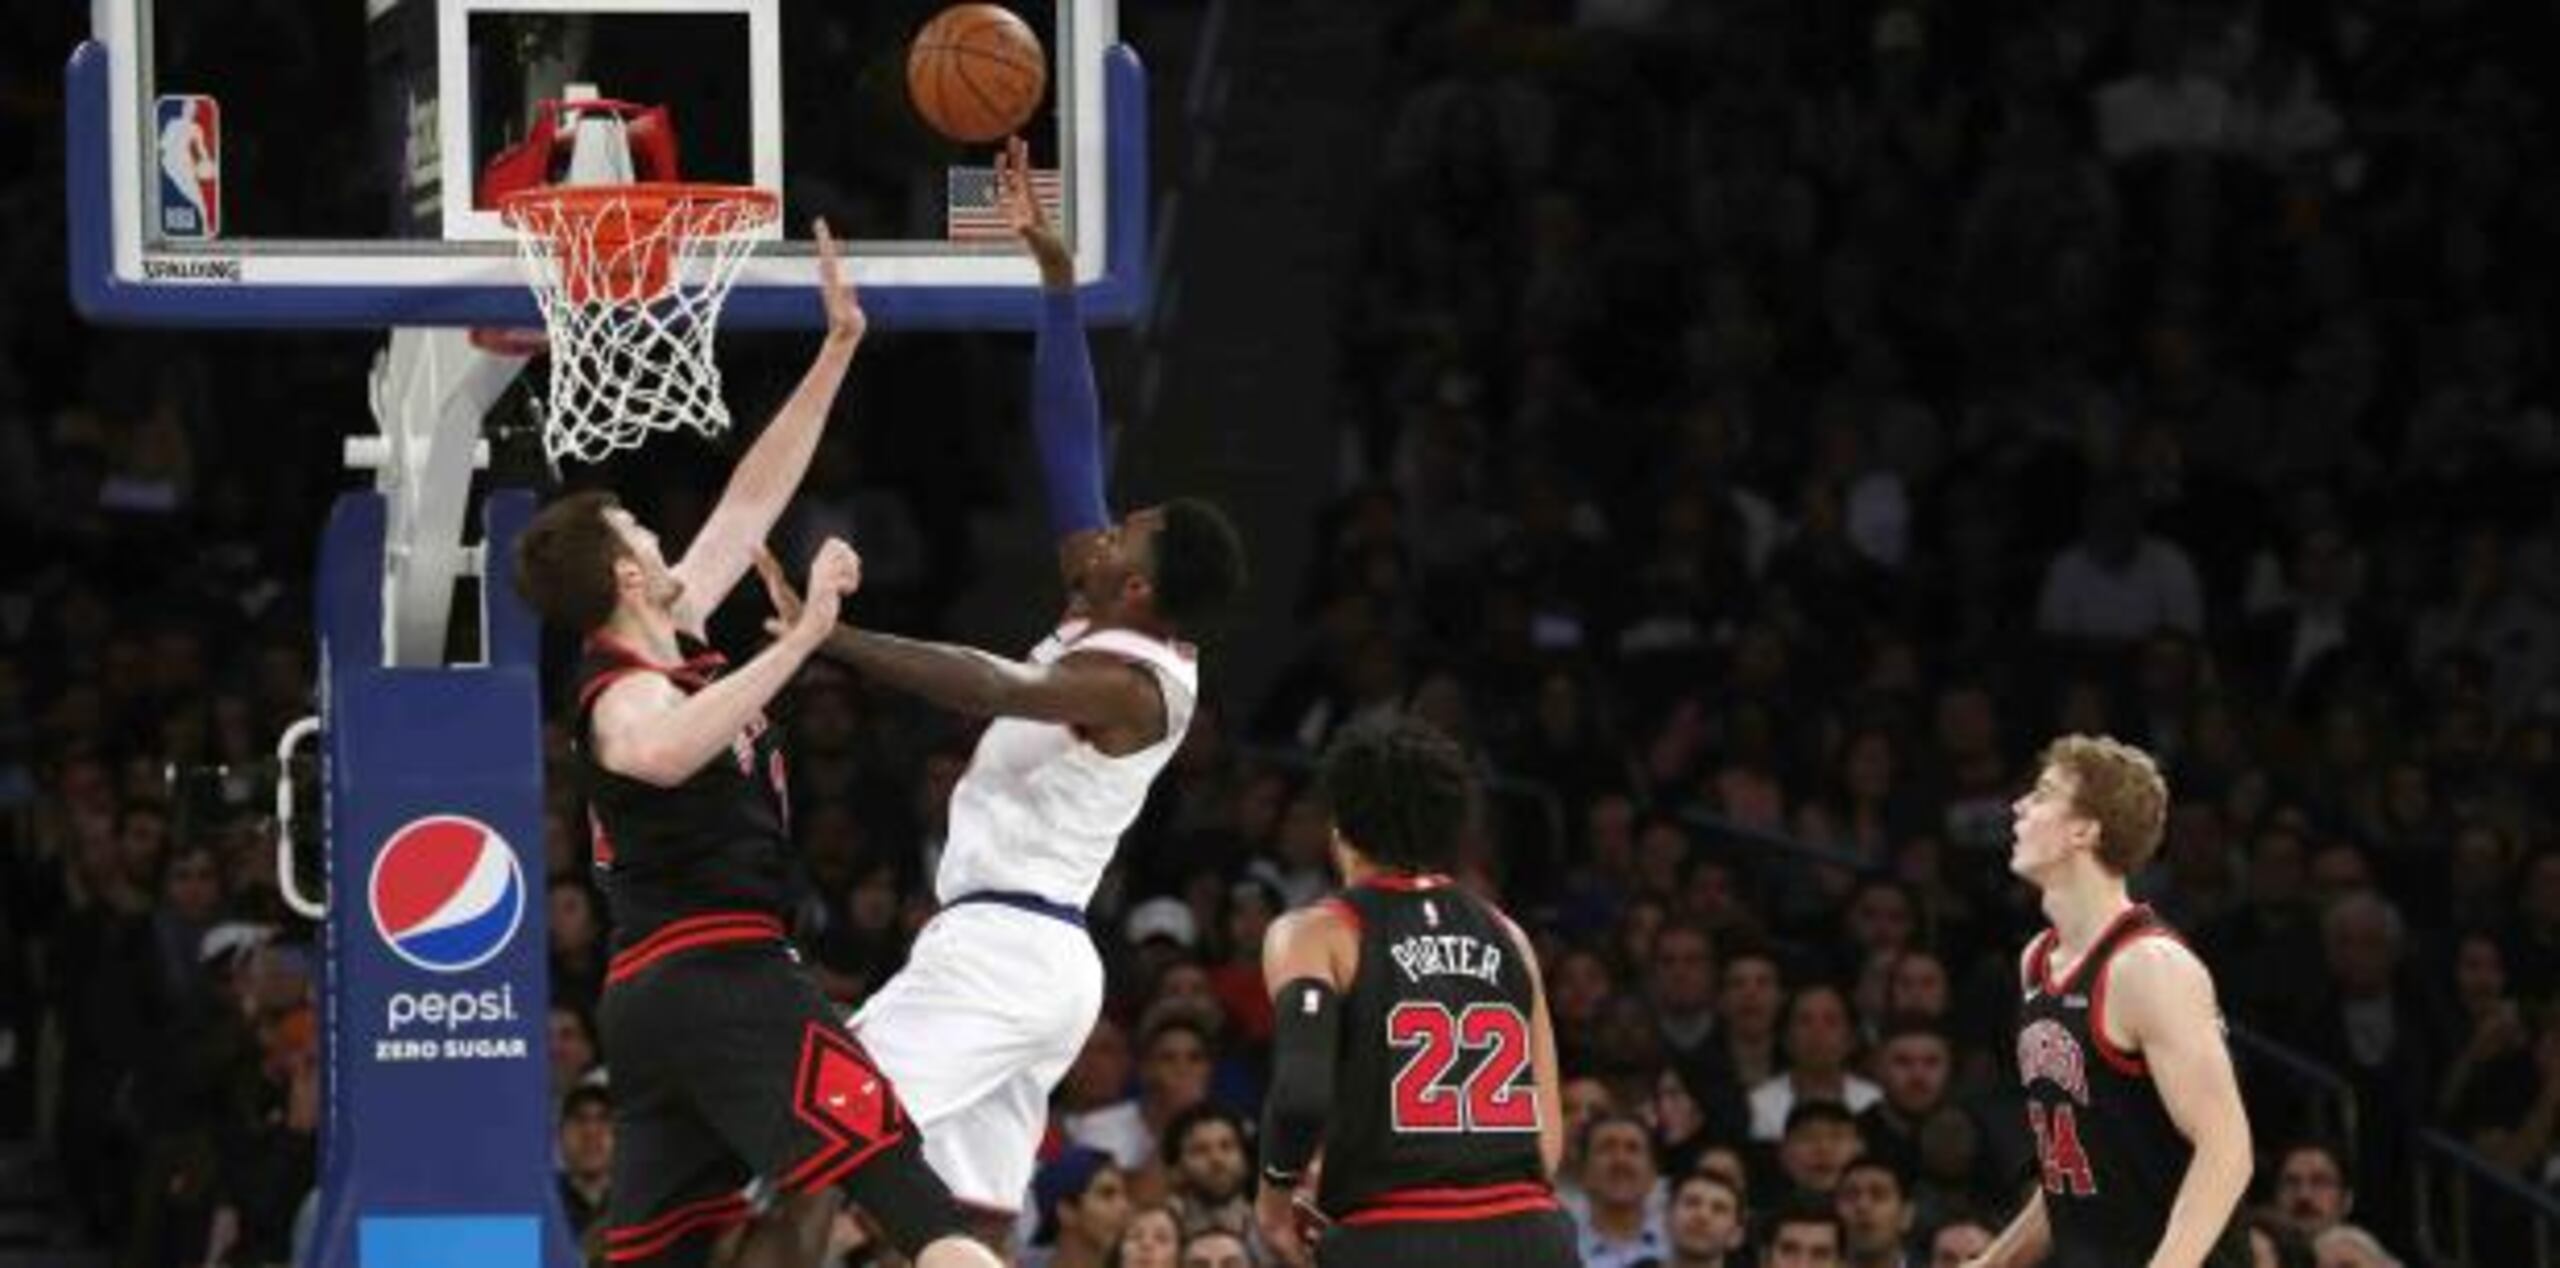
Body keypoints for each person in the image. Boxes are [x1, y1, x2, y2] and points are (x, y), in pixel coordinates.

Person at [754, 138, 1248, 1245]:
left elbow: (989, 680)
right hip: (1017, 953)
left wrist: (833, 637)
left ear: (1142, 580)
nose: (1113, 519)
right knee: (958, 1218)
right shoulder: (1107, 595)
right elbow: (1069, 444)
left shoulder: (1132, 684)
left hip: (1011, 952)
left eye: (1134, 529)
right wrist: (1056, 284)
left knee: (820, 1135)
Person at [511, 223, 995, 1268]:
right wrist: (809, 638)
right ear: (626, 577)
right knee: (903, 1187)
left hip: (658, 1003)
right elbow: (655, 753)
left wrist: (837, 349)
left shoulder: (677, 635)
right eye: (641, 530)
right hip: (720, 973)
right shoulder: (618, 694)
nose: (659, 536)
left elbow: (751, 498)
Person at [1250, 717, 1577, 1268]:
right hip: (1531, 1233)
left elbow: (1301, 1093)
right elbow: (1546, 1145)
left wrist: (1274, 1203)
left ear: (1340, 829)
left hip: (1394, 1234)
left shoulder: (1315, 933)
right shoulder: (1510, 936)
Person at [1966, 736, 2251, 1268]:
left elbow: (2227, 1150)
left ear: (2085, 829)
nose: (2019, 807)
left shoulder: (2149, 966)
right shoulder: (2036, 960)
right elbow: (2074, 1173)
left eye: (2043, 794)